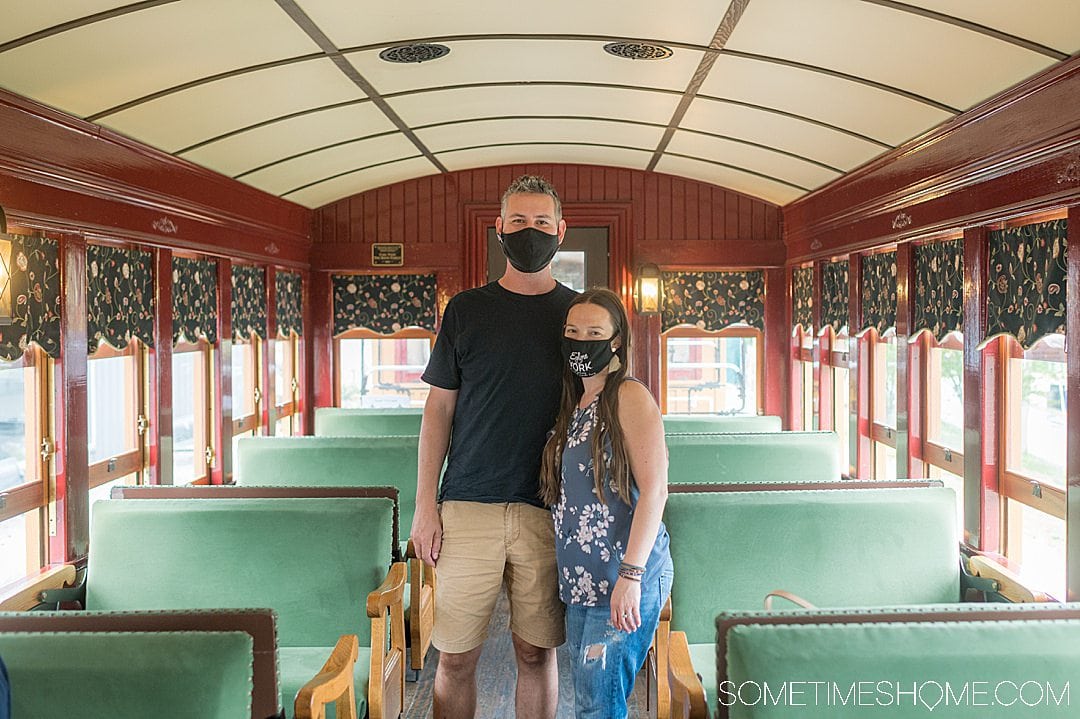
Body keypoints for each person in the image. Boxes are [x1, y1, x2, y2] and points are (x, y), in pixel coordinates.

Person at [411, 175, 578, 719]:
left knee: (535, 653)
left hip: (549, 506)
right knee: (454, 658)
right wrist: (424, 506)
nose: (531, 231)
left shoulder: (580, 320)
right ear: (499, 229)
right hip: (466, 504)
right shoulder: (465, 310)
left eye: (541, 222)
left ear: (560, 230)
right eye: (520, 222)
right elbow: (439, 410)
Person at [539, 288, 673, 719]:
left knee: (599, 706)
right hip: (581, 582)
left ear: (615, 341)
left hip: (623, 577)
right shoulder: (574, 401)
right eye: (572, 332)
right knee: (590, 701)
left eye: (594, 332)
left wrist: (630, 576)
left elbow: (655, 490)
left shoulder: (628, 396)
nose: (581, 341)